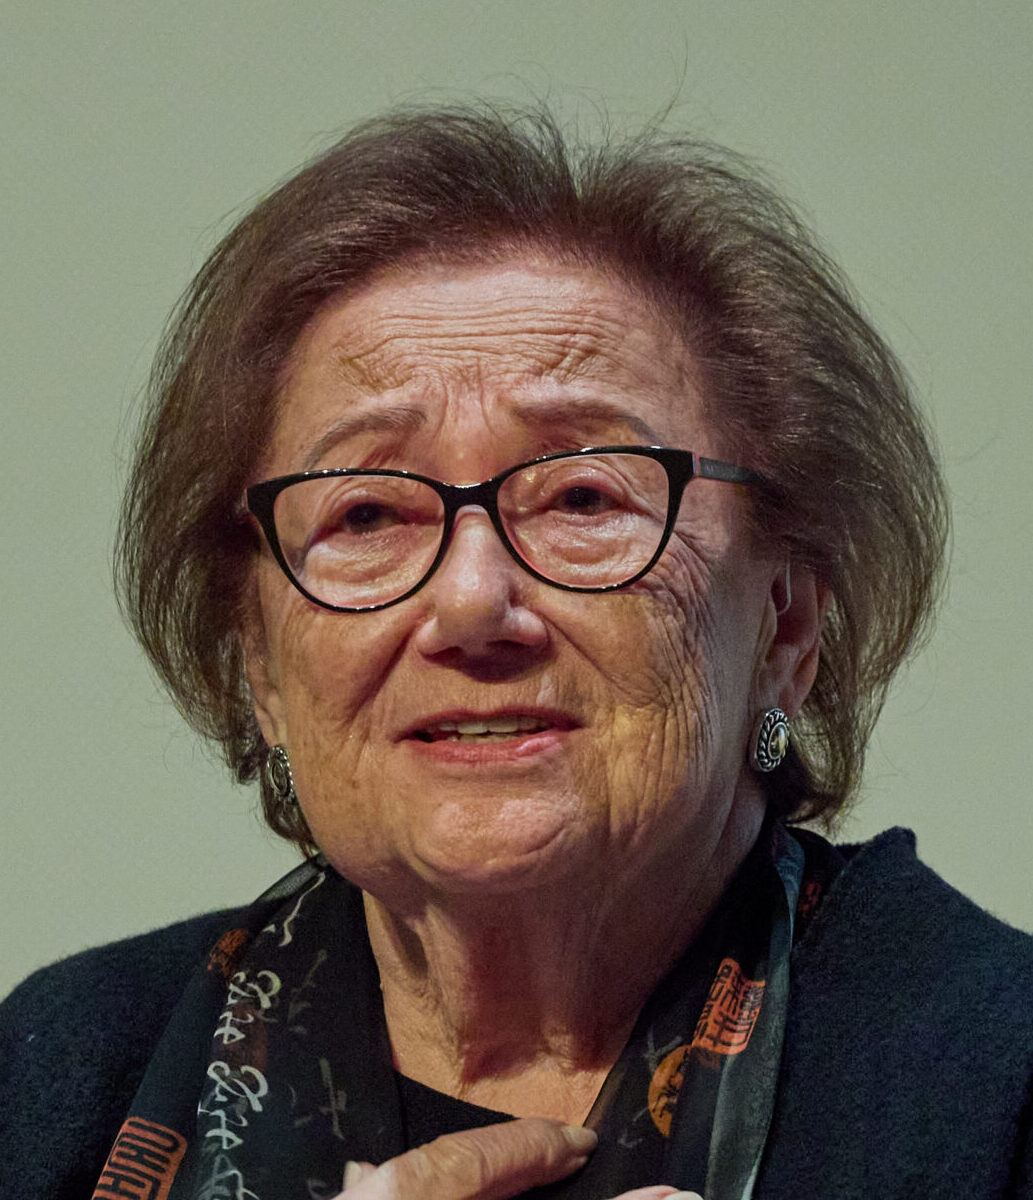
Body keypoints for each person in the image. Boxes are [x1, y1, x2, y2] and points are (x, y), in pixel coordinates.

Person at [2, 103, 1031, 1200]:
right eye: (365, 516)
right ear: (257, 662)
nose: (470, 602)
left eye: (582, 495)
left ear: (785, 624)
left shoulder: (995, 1086)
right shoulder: (61, 1079)